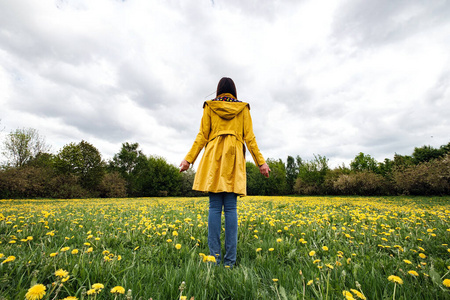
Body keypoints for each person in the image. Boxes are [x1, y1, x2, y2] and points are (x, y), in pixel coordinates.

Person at [179, 77, 270, 267]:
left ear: (218, 90)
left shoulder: (210, 106)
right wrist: (261, 162)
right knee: (230, 208)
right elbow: (250, 138)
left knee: (214, 207)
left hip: (214, 156)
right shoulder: (243, 108)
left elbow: (202, 135)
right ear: (233, 91)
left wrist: (189, 159)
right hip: (233, 157)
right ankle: (230, 261)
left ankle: (214, 259)